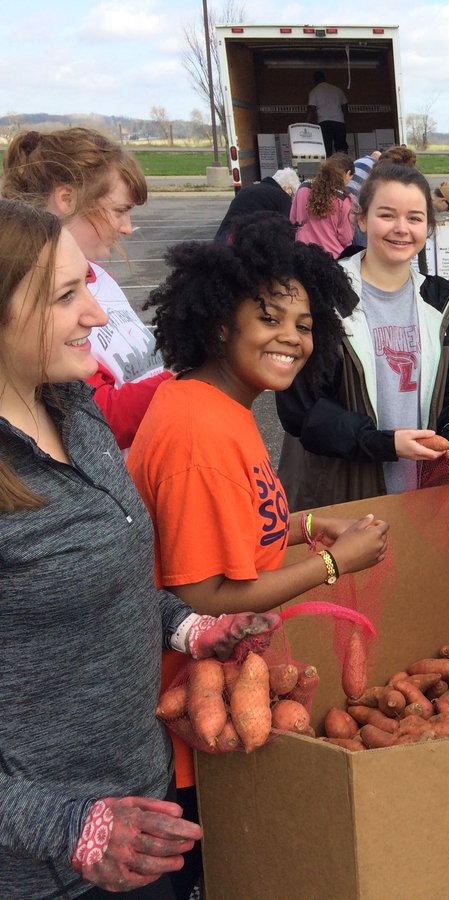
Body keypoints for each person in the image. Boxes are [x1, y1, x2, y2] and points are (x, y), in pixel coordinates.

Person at [0, 199, 277, 899]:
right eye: (66, 295)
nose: (96, 314)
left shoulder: (72, 404)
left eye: (85, 284)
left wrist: (189, 627)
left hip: (143, 816)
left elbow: (110, 575)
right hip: (46, 867)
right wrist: (68, 827)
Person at [127, 213, 391, 898]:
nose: (292, 339)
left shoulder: (223, 408)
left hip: (213, 689)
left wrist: (308, 527)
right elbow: (200, 598)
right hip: (186, 710)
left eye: (304, 325)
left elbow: (243, 525)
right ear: (219, 322)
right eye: (269, 318)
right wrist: (334, 566)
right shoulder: (197, 433)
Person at [276, 164, 449, 509]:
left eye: (414, 218)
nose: (401, 229)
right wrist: (384, 443)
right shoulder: (322, 296)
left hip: (420, 495)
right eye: (387, 215)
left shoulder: (440, 301)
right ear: (361, 219)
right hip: (340, 496)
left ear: (427, 228)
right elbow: (302, 410)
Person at [2, 127, 171, 451]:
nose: (126, 227)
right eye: (120, 210)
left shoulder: (98, 276)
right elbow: (98, 416)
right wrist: (196, 377)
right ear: (66, 199)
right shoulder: (33, 299)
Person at [213, 167, 300, 243]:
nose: (291, 198)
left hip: (222, 237)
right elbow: (289, 228)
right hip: (240, 242)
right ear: (288, 188)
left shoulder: (250, 188)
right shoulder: (281, 197)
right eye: (292, 194)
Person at [291, 153, 354, 257]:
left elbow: (293, 221)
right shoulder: (343, 199)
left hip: (302, 255)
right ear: (347, 173)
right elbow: (345, 238)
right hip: (331, 258)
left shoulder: (302, 189)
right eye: (350, 177)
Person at [308, 70, 348, 156]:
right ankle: (345, 166)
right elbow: (345, 105)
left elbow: (312, 109)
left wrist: (306, 123)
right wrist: (344, 118)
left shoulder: (314, 91)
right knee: (341, 148)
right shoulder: (337, 90)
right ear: (325, 78)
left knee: (326, 149)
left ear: (314, 80)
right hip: (339, 122)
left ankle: (329, 167)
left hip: (324, 123)